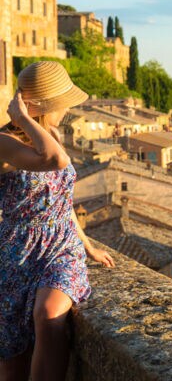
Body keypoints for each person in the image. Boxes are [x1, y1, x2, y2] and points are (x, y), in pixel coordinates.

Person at [0, 61, 115, 381]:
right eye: (60, 103)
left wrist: (87, 246)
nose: (65, 110)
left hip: (60, 247)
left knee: (48, 314)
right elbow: (55, 161)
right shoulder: (5, 143)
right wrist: (21, 118)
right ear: (40, 105)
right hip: (15, 252)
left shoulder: (50, 134)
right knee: (13, 360)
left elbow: (61, 202)